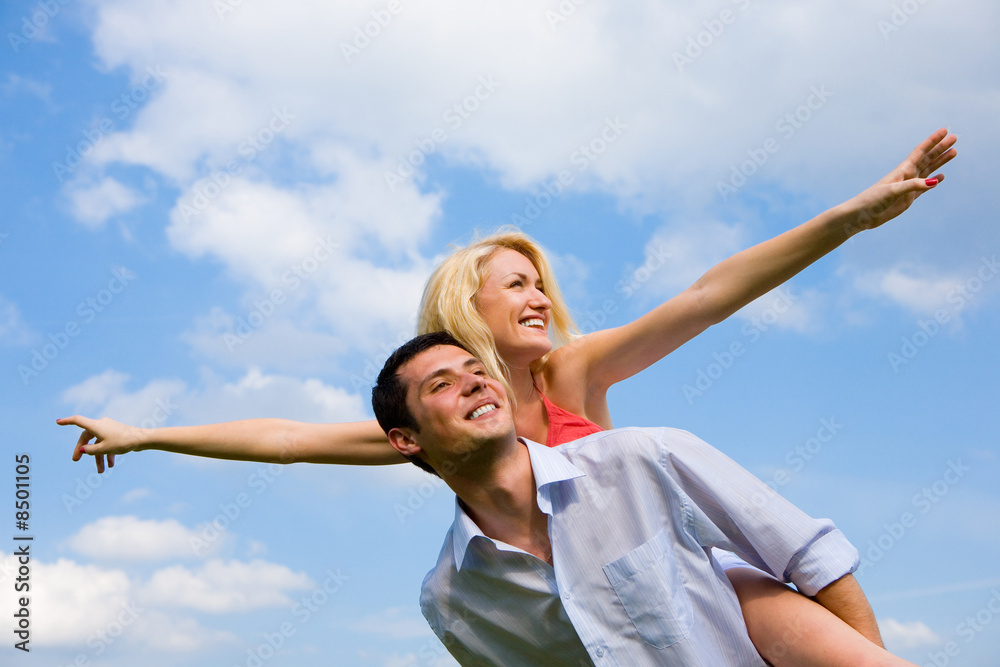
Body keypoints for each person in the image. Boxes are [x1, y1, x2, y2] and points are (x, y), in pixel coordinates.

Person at [59, 129, 957, 664]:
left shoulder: (571, 372)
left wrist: (855, 215)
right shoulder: (430, 427)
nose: (538, 295)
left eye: (540, 281)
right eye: (514, 283)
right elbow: (286, 436)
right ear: (465, 307)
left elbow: (706, 295)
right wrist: (144, 434)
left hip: (707, 585)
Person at [370, 331, 917, 666]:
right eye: (440, 385)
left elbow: (811, 559)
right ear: (406, 440)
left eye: (478, 371)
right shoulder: (448, 601)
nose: (473, 384)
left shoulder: (644, 458)